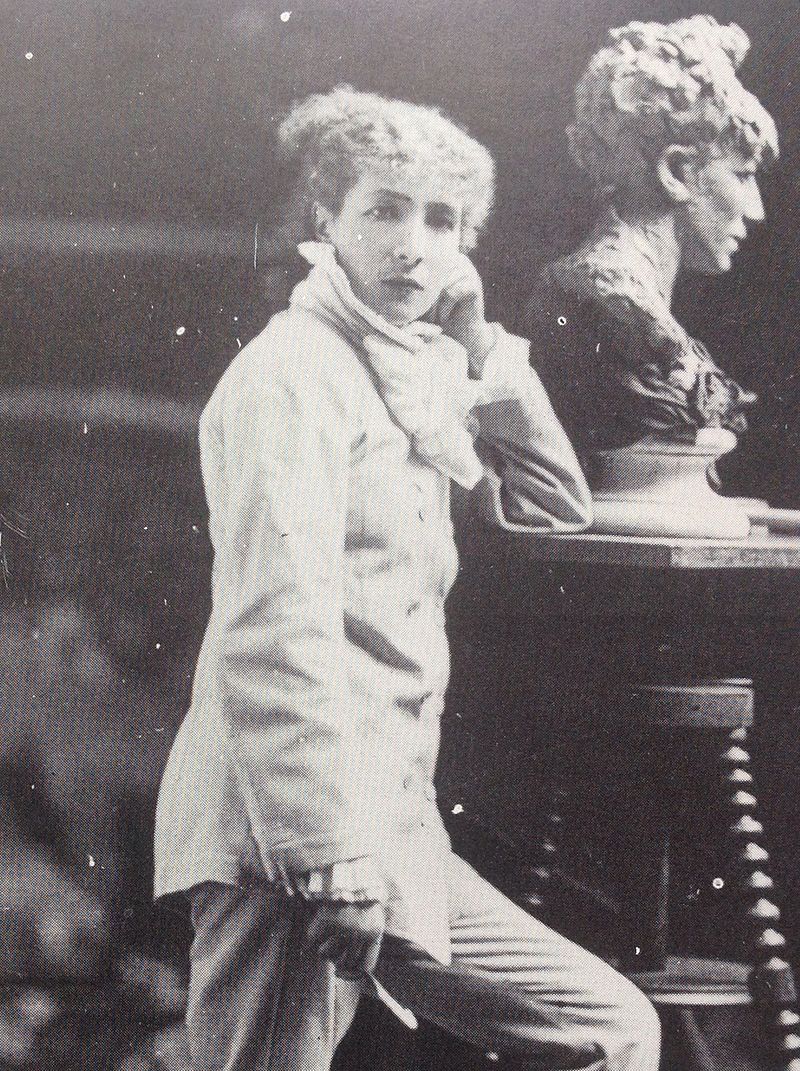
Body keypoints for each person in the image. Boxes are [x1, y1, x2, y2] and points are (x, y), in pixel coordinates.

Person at [154, 85, 659, 1071]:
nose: (412, 246)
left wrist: (482, 351)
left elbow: (557, 502)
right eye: (382, 209)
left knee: (608, 1031)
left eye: (441, 220)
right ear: (325, 221)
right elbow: (274, 629)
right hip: (289, 830)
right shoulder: (291, 374)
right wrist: (323, 854)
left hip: (391, 820)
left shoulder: (416, 370)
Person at [526, 15, 778, 458]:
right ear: (678, 172)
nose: (756, 209)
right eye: (742, 176)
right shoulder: (611, 299)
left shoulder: (620, 293)